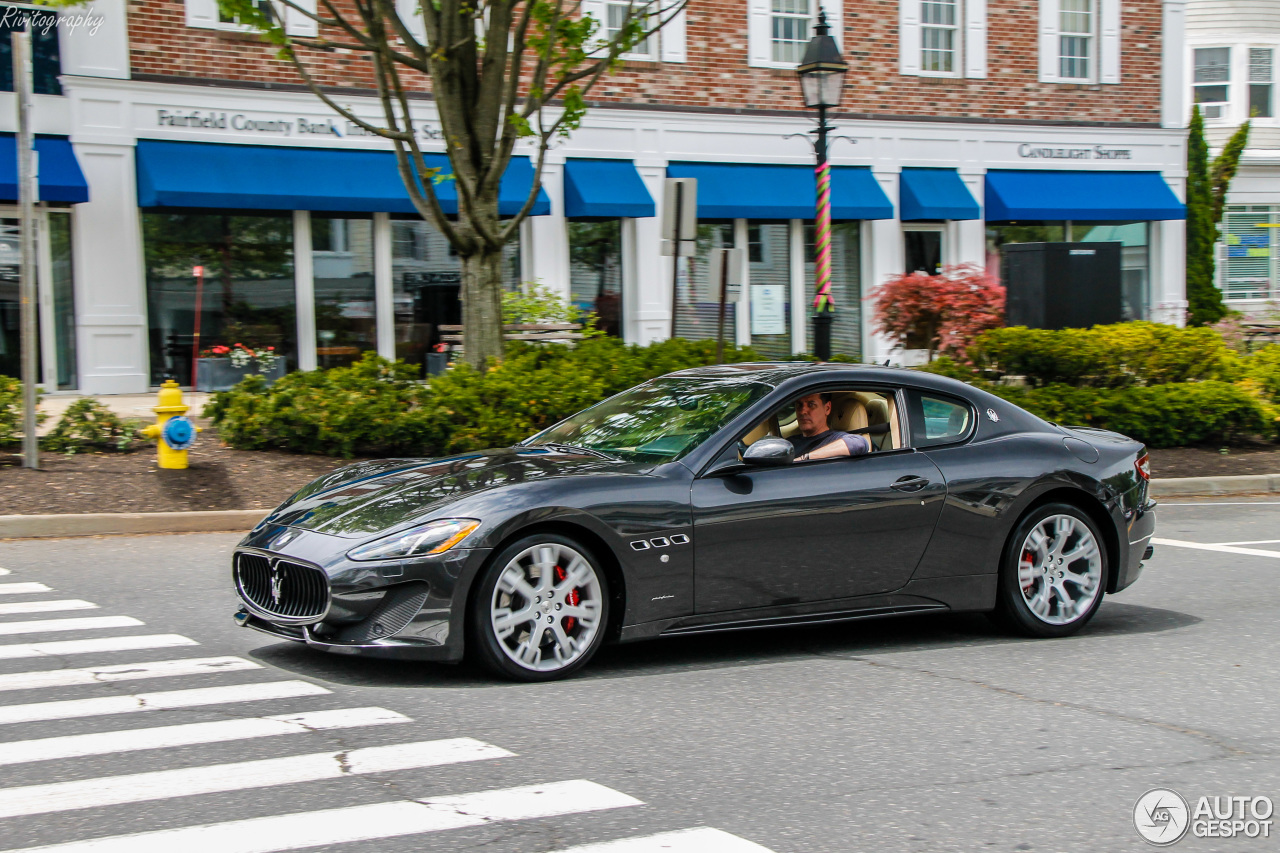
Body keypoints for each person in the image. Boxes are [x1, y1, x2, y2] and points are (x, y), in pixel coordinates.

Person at [786, 392, 871, 462]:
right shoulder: (789, 442)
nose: (803, 411)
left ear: (827, 408)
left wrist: (804, 458)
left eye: (811, 404)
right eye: (799, 405)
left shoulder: (835, 438)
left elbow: (859, 443)